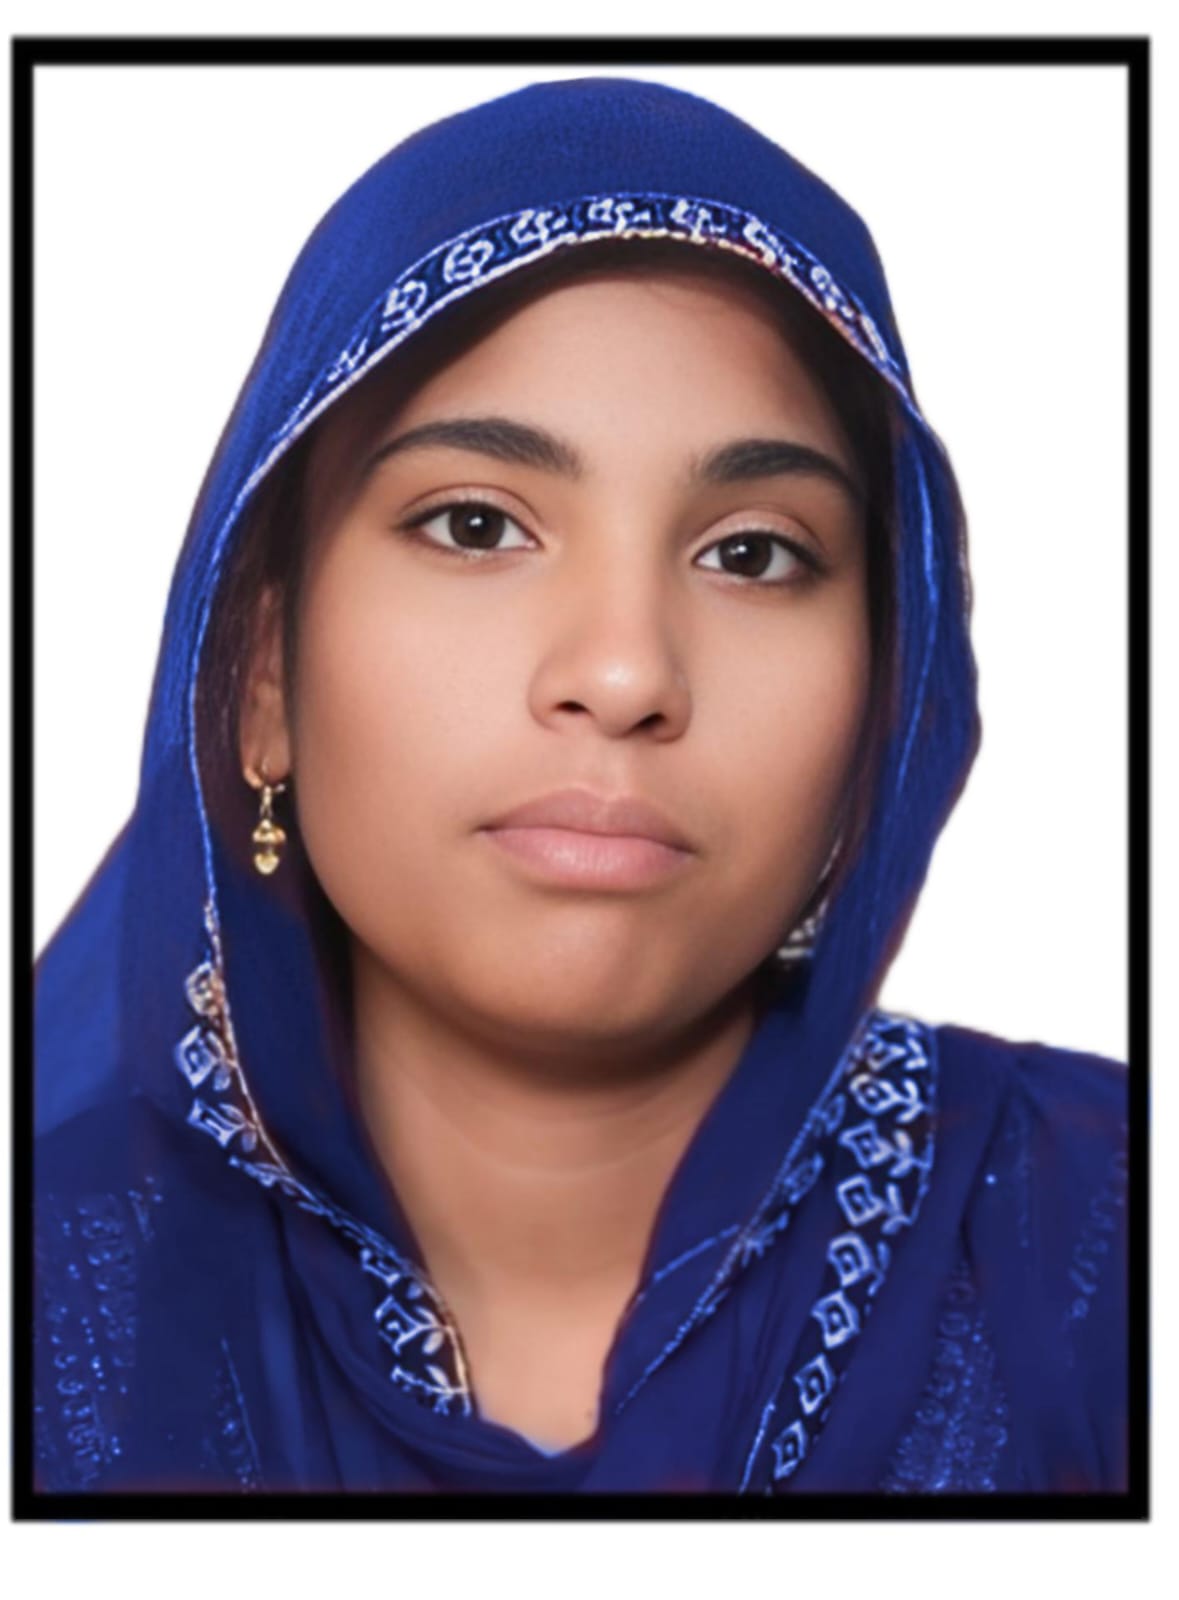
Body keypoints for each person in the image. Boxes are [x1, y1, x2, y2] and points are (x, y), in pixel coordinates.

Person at [32, 74, 1127, 1496]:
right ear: (259, 678)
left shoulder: (1106, 1256)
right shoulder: (48, 1312)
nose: (622, 672)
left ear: (888, 698)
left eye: (751, 553)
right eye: (476, 525)